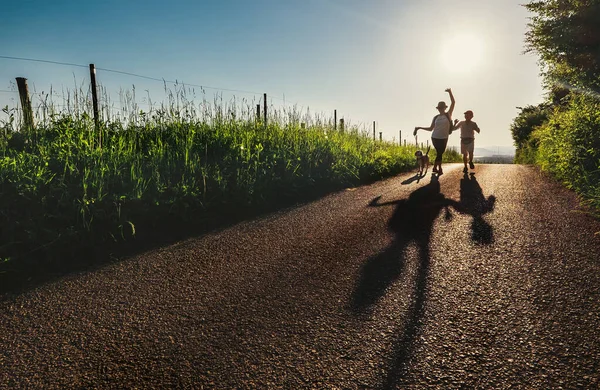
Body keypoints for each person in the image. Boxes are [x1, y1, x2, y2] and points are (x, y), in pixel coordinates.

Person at [413, 88, 455, 175]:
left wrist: (450, 92)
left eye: (442, 107)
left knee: (440, 153)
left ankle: (437, 168)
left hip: (444, 138)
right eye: (439, 108)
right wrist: (419, 128)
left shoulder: (448, 114)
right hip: (435, 137)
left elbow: (453, 102)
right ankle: (438, 168)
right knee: (439, 152)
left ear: (444, 108)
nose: (440, 109)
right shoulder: (435, 117)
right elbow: (430, 128)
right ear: (438, 108)